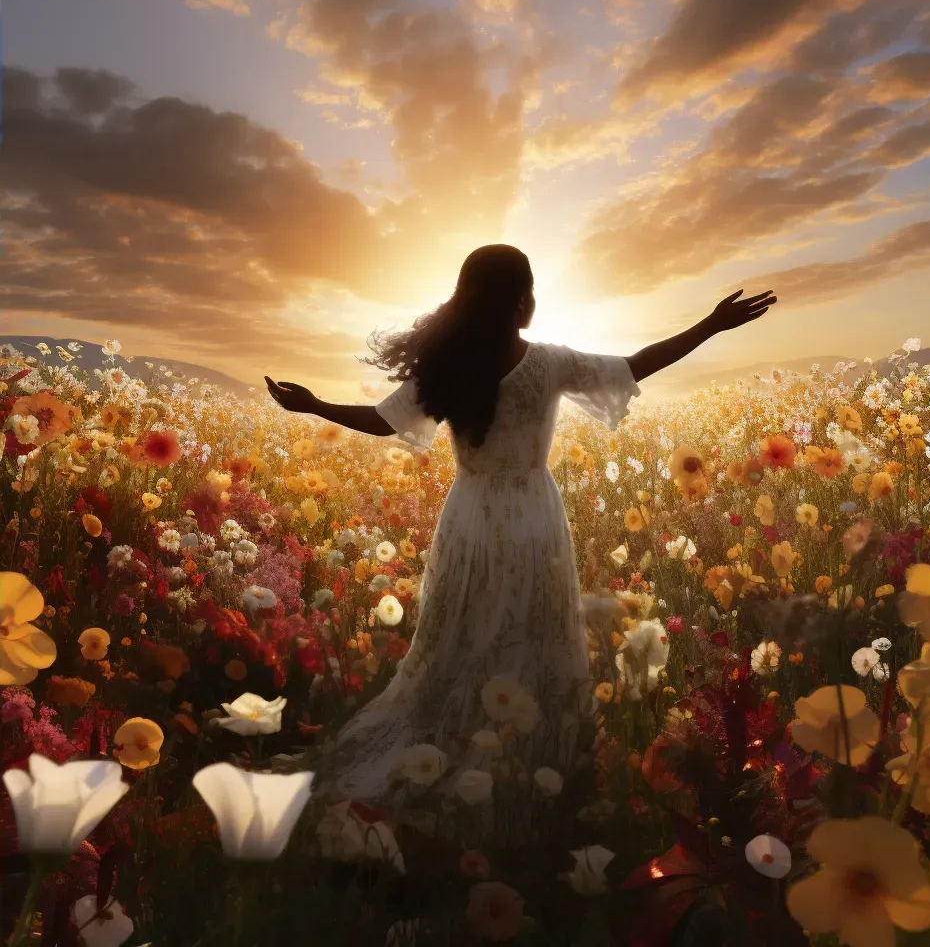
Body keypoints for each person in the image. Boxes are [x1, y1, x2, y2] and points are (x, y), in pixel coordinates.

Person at [264, 244, 775, 808]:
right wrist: (710, 324)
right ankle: (529, 760)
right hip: (534, 516)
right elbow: (635, 365)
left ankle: (461, 741)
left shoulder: (450, 366)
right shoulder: (547, 363)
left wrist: (316, 406)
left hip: (469, 519)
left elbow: (384, 422)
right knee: (532, 635)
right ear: (519, 300)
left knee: (461, 637)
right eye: (530, 290)